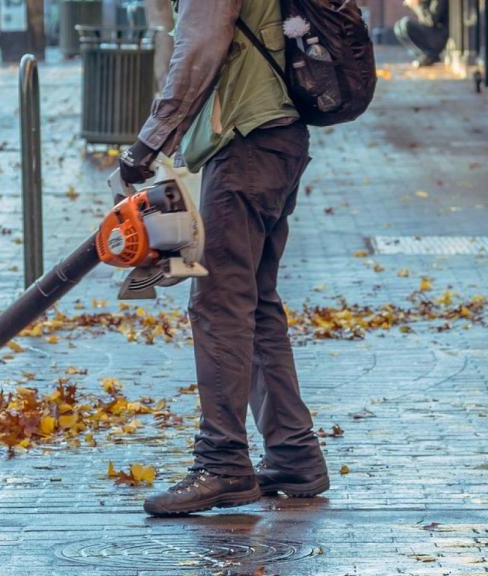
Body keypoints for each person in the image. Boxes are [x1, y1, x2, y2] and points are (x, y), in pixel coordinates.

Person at [119, 0, 329, 516]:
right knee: (253, 303)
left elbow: (199, 49)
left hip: (246, 143)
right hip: (279, 136)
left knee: (218, 305)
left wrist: (145, 148)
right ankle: (293, 453)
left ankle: (223, 463)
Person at [395, 0, 449, 67]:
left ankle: (431, 55)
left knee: (405, 24)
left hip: (441, 36)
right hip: (433, 33)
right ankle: (425, 56)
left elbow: (431, 20)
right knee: (398, 27)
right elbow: (423, 20)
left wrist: (416, 5)